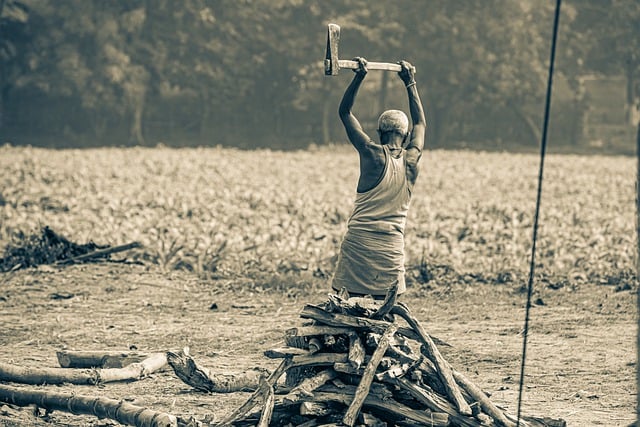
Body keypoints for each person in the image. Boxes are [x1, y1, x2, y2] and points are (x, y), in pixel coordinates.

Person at [331, 57, 426, 298]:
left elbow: (344, 112)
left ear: (379, 133)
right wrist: (410, 82)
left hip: (358, 247)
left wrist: (359, 76)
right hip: (390, 251)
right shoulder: (412, 159)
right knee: (386, 312)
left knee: (349, 309)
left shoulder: (371, 153)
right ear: (405, 137)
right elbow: (420, 122)